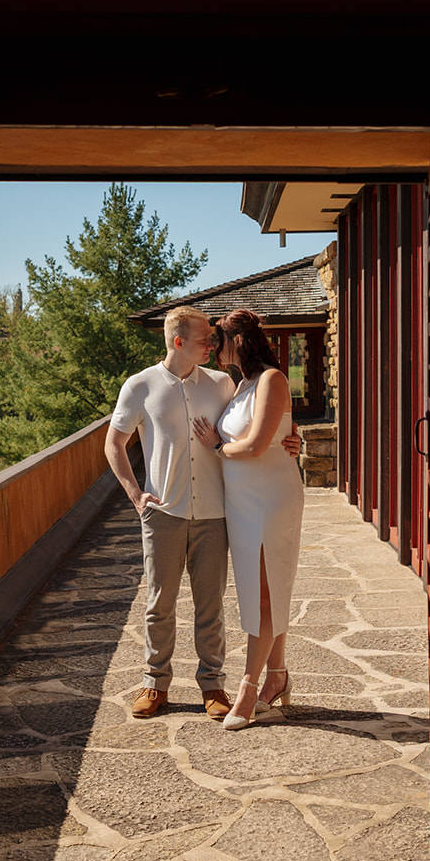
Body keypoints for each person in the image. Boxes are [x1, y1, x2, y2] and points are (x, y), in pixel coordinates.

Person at [104, 306, 300, 721]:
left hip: (217, 512)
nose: (211, 345)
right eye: (203, 339)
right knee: (159, 603)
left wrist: (290, 438)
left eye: (215, 339)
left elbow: (256, 422)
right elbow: (113, 444)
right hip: (165, 511)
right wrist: (136, 496)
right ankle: (155, 683)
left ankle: (213, 685)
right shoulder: (139, 386)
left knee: (211, 606)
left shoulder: (224, 383)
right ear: (178, 342)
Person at [191, 308, 305, 730]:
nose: (212, 348)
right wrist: (290, 438)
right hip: (241, 503)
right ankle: (278, 675)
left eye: (217, 340)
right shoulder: (242, 385)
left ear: (237, 340)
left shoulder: (273, 379)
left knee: (266, 591)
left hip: (271, 498)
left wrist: (217, 447)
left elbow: (256, 445)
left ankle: (249, 687)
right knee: (264, 589)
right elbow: (276, 432)